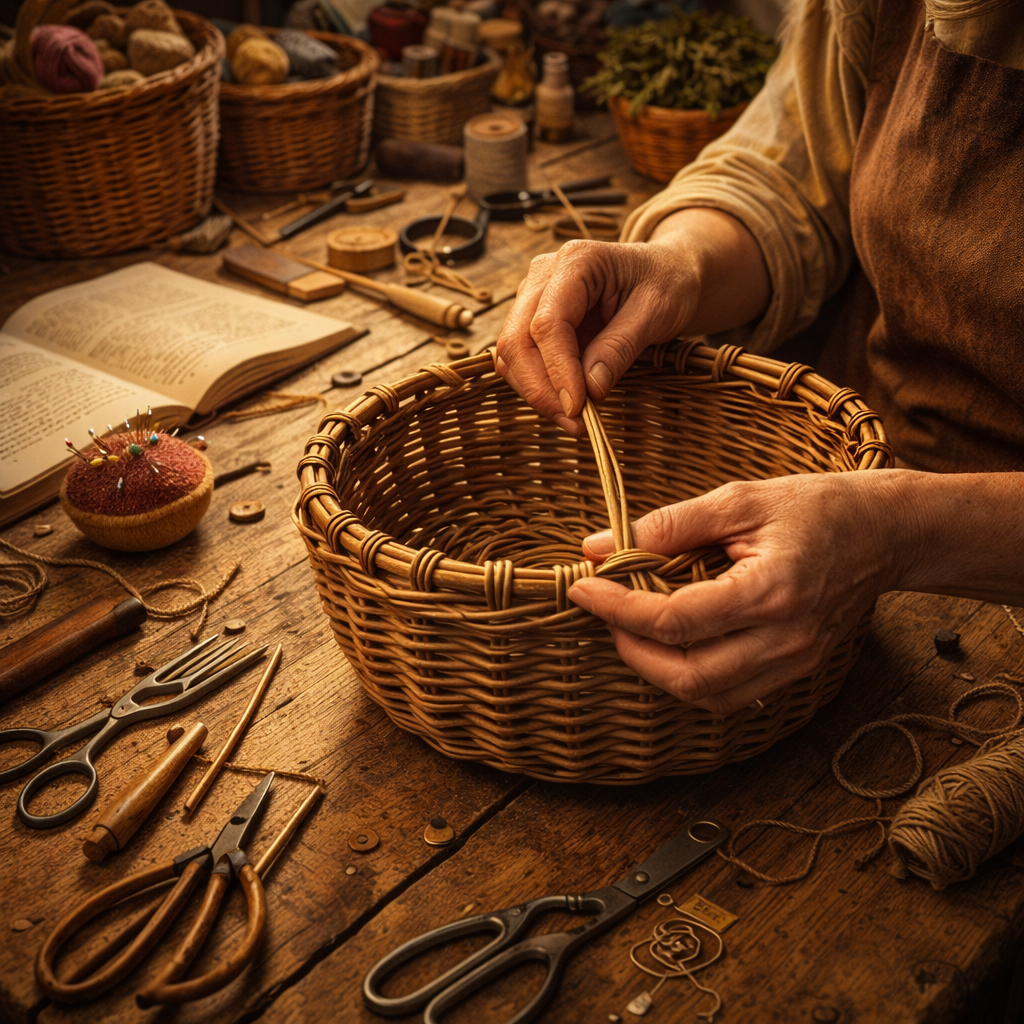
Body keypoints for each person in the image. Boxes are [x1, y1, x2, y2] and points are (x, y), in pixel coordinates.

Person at [494, 0, 1024, 716]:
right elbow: (793, 171)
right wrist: (680, 261)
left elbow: (891, 531)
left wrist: (899, 533)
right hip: (849, 488)